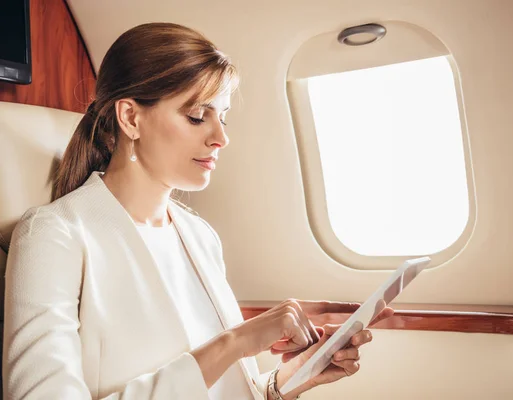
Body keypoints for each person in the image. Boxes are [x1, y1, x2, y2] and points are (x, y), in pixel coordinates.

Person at [2, 22, 394, 400]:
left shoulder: (199, 236)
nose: (221, 137)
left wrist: (284, 383)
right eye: (196, 117)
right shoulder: (53, 236)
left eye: (222, 117)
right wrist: (235, 342)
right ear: (130, 118)